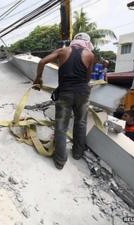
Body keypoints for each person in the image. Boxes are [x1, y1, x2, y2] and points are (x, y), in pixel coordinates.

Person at [33, 33, 95, 169]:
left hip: (65, 92)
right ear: (87, 43)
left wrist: (38, 79)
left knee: (61, 126)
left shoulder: (63, 51)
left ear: (74, 41)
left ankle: (60, 161)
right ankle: (78, 153)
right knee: (81, 122)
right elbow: (87, 78)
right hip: (82, 93)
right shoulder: (90, 54)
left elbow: (42, 62)